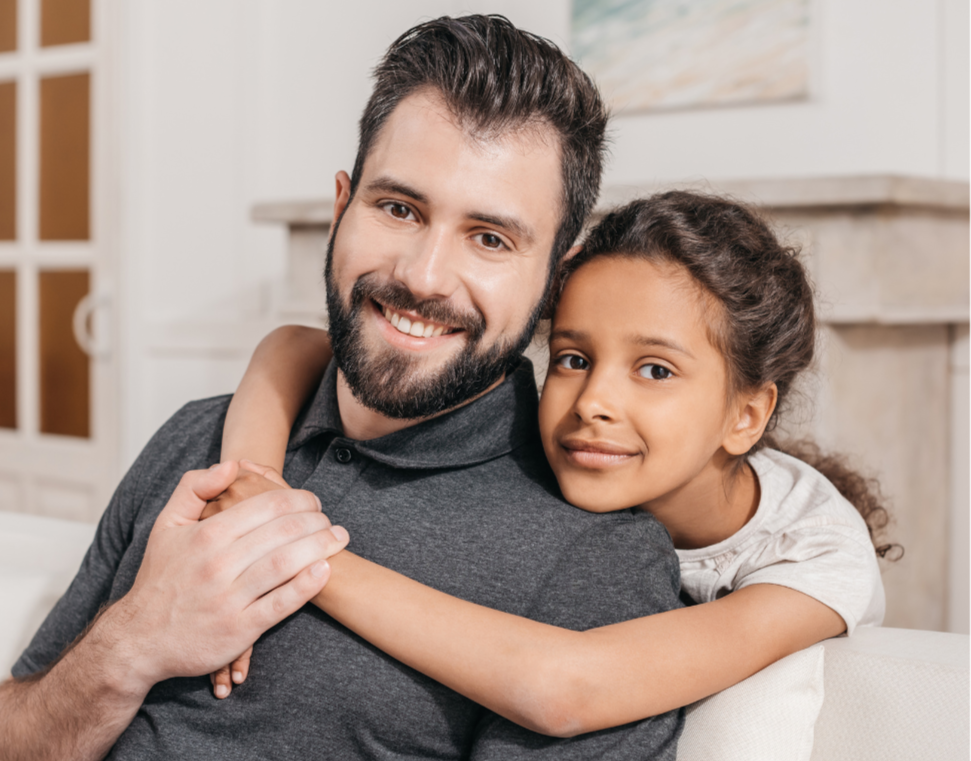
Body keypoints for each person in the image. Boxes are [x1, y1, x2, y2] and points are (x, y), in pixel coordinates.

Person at [0, 15, 685, 761]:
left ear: (554, 277)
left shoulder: (591, 561)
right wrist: (132, 642)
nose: (422, 276)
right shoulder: (200, 437)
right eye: (399, 208)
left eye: (490, 239)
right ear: (341, 208)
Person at [209, 191, 893, 736]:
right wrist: (250, 486)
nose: (593, 401)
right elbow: (291, 345)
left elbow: (569, 689)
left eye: (654, 369)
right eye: (573, 357)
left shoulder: (820, 557)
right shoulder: (561, 436)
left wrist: (281, 552)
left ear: (746, 415)